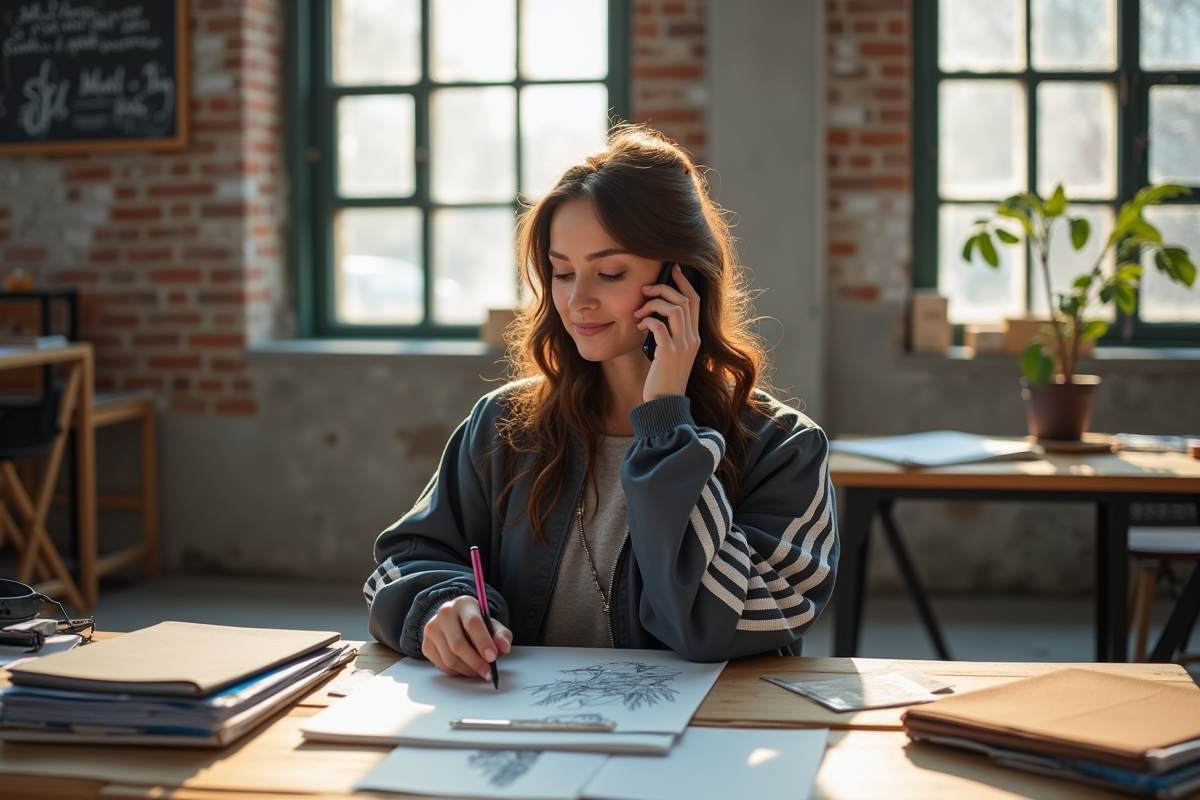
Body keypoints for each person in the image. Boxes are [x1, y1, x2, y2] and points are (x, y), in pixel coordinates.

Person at [363, 126, 837, 682]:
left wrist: (665, 421)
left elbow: (714, 626)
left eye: (609, 273)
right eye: (562, 272)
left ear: (681, 278)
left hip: (705, 748)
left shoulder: (784, 449)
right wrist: (439, 606)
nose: (576, 300)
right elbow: (403, 559)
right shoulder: (502, 426)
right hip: (522, 738)